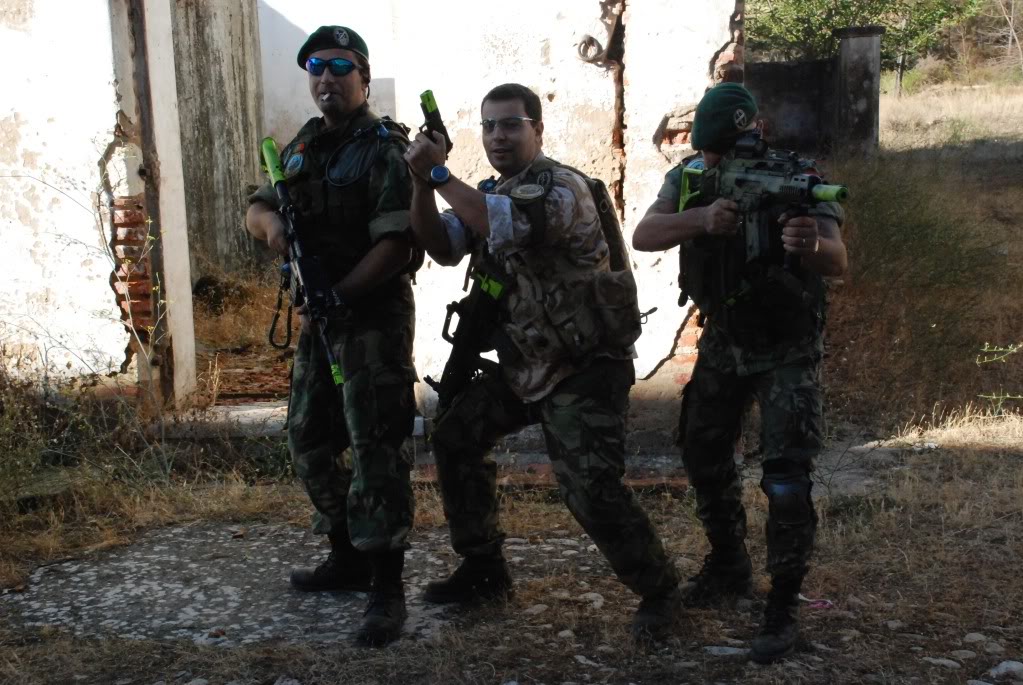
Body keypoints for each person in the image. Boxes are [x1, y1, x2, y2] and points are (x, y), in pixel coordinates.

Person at [404, 83, 682, 641]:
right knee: (455, 437)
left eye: (511, 125)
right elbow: (441, 244)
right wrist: (419, 183)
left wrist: (438, 175)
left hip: (584, 365)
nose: (498, 136)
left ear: (537, 129)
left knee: (590, 490)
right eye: (488, 126)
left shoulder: (560, 188)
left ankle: (660, 590)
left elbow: (502, 222)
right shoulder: (489, 191)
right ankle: (484, 568)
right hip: (526, 365)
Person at [632, 82, 848, 663]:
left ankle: (782, 602)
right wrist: (701, 218)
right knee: (703, 452)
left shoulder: (797, 176)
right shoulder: (691, 180)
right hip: (726, 340)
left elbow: (838, 259)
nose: (713, 162)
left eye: (721, 152)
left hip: (787, 345)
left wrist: (809, 245)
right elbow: (644, 234)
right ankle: (728, 563)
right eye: (708, 154)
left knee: (785, 478)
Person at [244, 25, 419, 647]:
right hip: (320, 319)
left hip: (370, 319)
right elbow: (259, 206)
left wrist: (340, 294)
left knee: (375, 445)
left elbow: (398, 245)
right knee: (308, 434)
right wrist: (273, 229)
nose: (326, 79)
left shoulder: (384, 149)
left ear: (363, 77)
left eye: (340, 67)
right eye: (316, 68)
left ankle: (386, 587)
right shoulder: (304, 145)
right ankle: (345, 555)